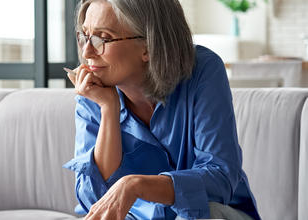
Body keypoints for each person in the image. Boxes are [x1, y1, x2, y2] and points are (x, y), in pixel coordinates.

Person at [62, 0, 261, 219]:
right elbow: (95, 201)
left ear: (148, 46)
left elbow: (220, 178)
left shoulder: (203, 70)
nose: (88, 51)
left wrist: (135, 185)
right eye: (84, 36)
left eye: (103, 38)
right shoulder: (93, 93)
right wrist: (108, 108)